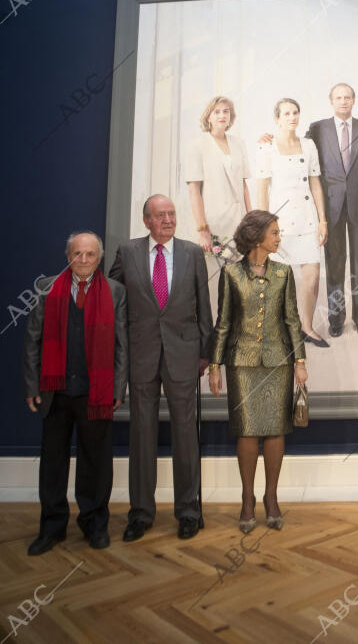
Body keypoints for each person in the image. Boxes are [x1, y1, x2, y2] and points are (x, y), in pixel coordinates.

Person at [109, 194, 213, 541]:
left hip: (184, 355)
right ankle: (140, 513)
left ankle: (188, 511)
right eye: (160, 215)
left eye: (171, 213)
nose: (168, 220)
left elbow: (203, 305)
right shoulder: (127, 253)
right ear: (146, 221)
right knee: (142, 434)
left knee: (186, 434)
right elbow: (111, 297)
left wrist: (206, 352)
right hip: (142, 355)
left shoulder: (193, 253)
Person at [22, 231, 128, 555]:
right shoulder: (46, 288)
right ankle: (52, 528)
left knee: (95, 463)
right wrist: (32, 386)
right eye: (77, 254)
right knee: (53, 463)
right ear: (68, 255)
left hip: (96, 392)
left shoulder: (115, 291)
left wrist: (117, 387)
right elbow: (32, 342)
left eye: (90, 255)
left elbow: (122, 346)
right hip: (54, 392)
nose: (83, 260)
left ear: (100, 258)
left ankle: (94, 524)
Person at [208, 210, 307, 533]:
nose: (279, 238)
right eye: (274, 233)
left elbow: (292, 320)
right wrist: (214, 366)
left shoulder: (284, 273)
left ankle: (272, 497)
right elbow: (223, 323)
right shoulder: (231, 274)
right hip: (242, 363)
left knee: (276, 430)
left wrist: (300, 363)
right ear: (256, 237)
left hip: (278, 362)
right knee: (247, 431)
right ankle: (247, 499)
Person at [307, 83, 358, 337]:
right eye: (338, 97)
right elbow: (300, 153)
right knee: (335, 265)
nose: (343, 101)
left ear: (354, 100)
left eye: (347, 97)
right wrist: (272, 139)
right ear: (331, 101)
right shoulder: (318, 129)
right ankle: (336, 319)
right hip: (331, 207)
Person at [256, 98, 328, 348]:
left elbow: (315, 183)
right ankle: (280, 331)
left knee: (313, 274)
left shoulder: (308, 145)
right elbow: (262, 188)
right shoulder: (267, 148)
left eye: (295, 112)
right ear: (277, 118)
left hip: (307, 218)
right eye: (286, 113)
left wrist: (322, 220)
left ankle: (307, 327)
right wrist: (264, 225)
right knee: (278, 280)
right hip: (279, 222)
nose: (292, 117)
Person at [185, 95, 251, 262]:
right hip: (213, 225)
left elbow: (243, 186)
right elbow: (194, 192)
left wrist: (251, 220)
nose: (222, 115)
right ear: (209, 117)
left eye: (226, 112)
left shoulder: (239, 144)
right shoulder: (198, 146)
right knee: (214, 278)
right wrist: (203, 230)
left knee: (238, 278)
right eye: (217, 112)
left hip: (239, 223)